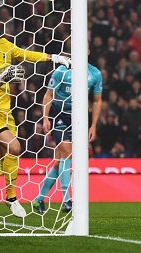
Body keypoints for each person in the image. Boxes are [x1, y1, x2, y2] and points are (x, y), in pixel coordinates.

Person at [0, 18, 70, 218]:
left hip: (5, 111)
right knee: (15, 148)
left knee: (5, 156)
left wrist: (54, 58)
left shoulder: (4, 45)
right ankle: (11, 198)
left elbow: (26, 55)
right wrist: (0, 79)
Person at [33, 61, 102, 214]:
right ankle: (66, 200)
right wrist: (45, 118)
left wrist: (93, 125)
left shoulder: (94, 73)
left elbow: (97, 101)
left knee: (60, 163)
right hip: (59, 116)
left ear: (88, 51)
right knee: (67, 154)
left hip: (79, 119)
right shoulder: (61, 71)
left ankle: (39, 199)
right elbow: (49, 94)